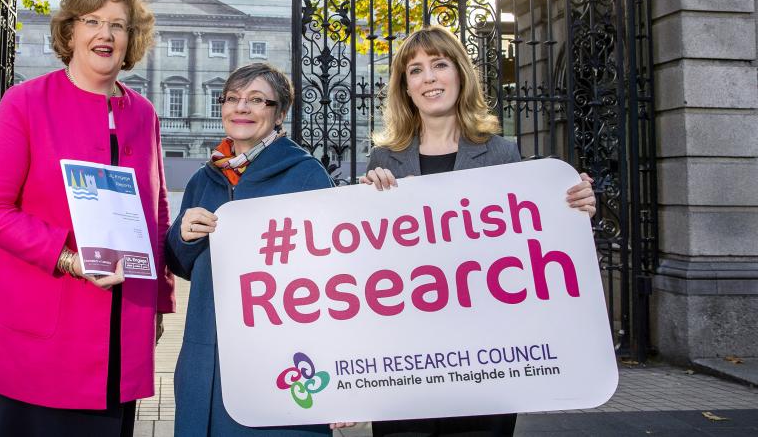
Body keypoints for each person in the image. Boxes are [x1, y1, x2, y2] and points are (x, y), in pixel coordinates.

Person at [361, 25, 597, 437]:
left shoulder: (503, 153)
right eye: (415, 70)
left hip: (485, 353)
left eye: (439, 65)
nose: (429, 78)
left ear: (460, 74)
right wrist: (363, 207)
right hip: (405, 352)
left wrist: (573, 207)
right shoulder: (384, 159)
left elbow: (528, 240)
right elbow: (368, 258)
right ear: (406, 87)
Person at [0, 0, 175, 437]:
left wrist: (159, 302)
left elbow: (156, 212)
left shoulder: (143, 113)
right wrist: (67, 257)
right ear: (70, 32)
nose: (105, 34)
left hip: (123, 328)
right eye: (93, 21)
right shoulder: (24, 103)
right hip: (46, 328)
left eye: (118, 25)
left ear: (131, 39)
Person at [165, 63, 352, 436]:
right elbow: (181, 263)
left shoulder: (306, 174)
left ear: (279, 113)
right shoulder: (206, 177)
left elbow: (337, 279)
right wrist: (183, 237)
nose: (241, 108)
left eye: (256, 100)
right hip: (207, 360)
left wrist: (340, 372)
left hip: (279, 360)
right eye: (232, 99)